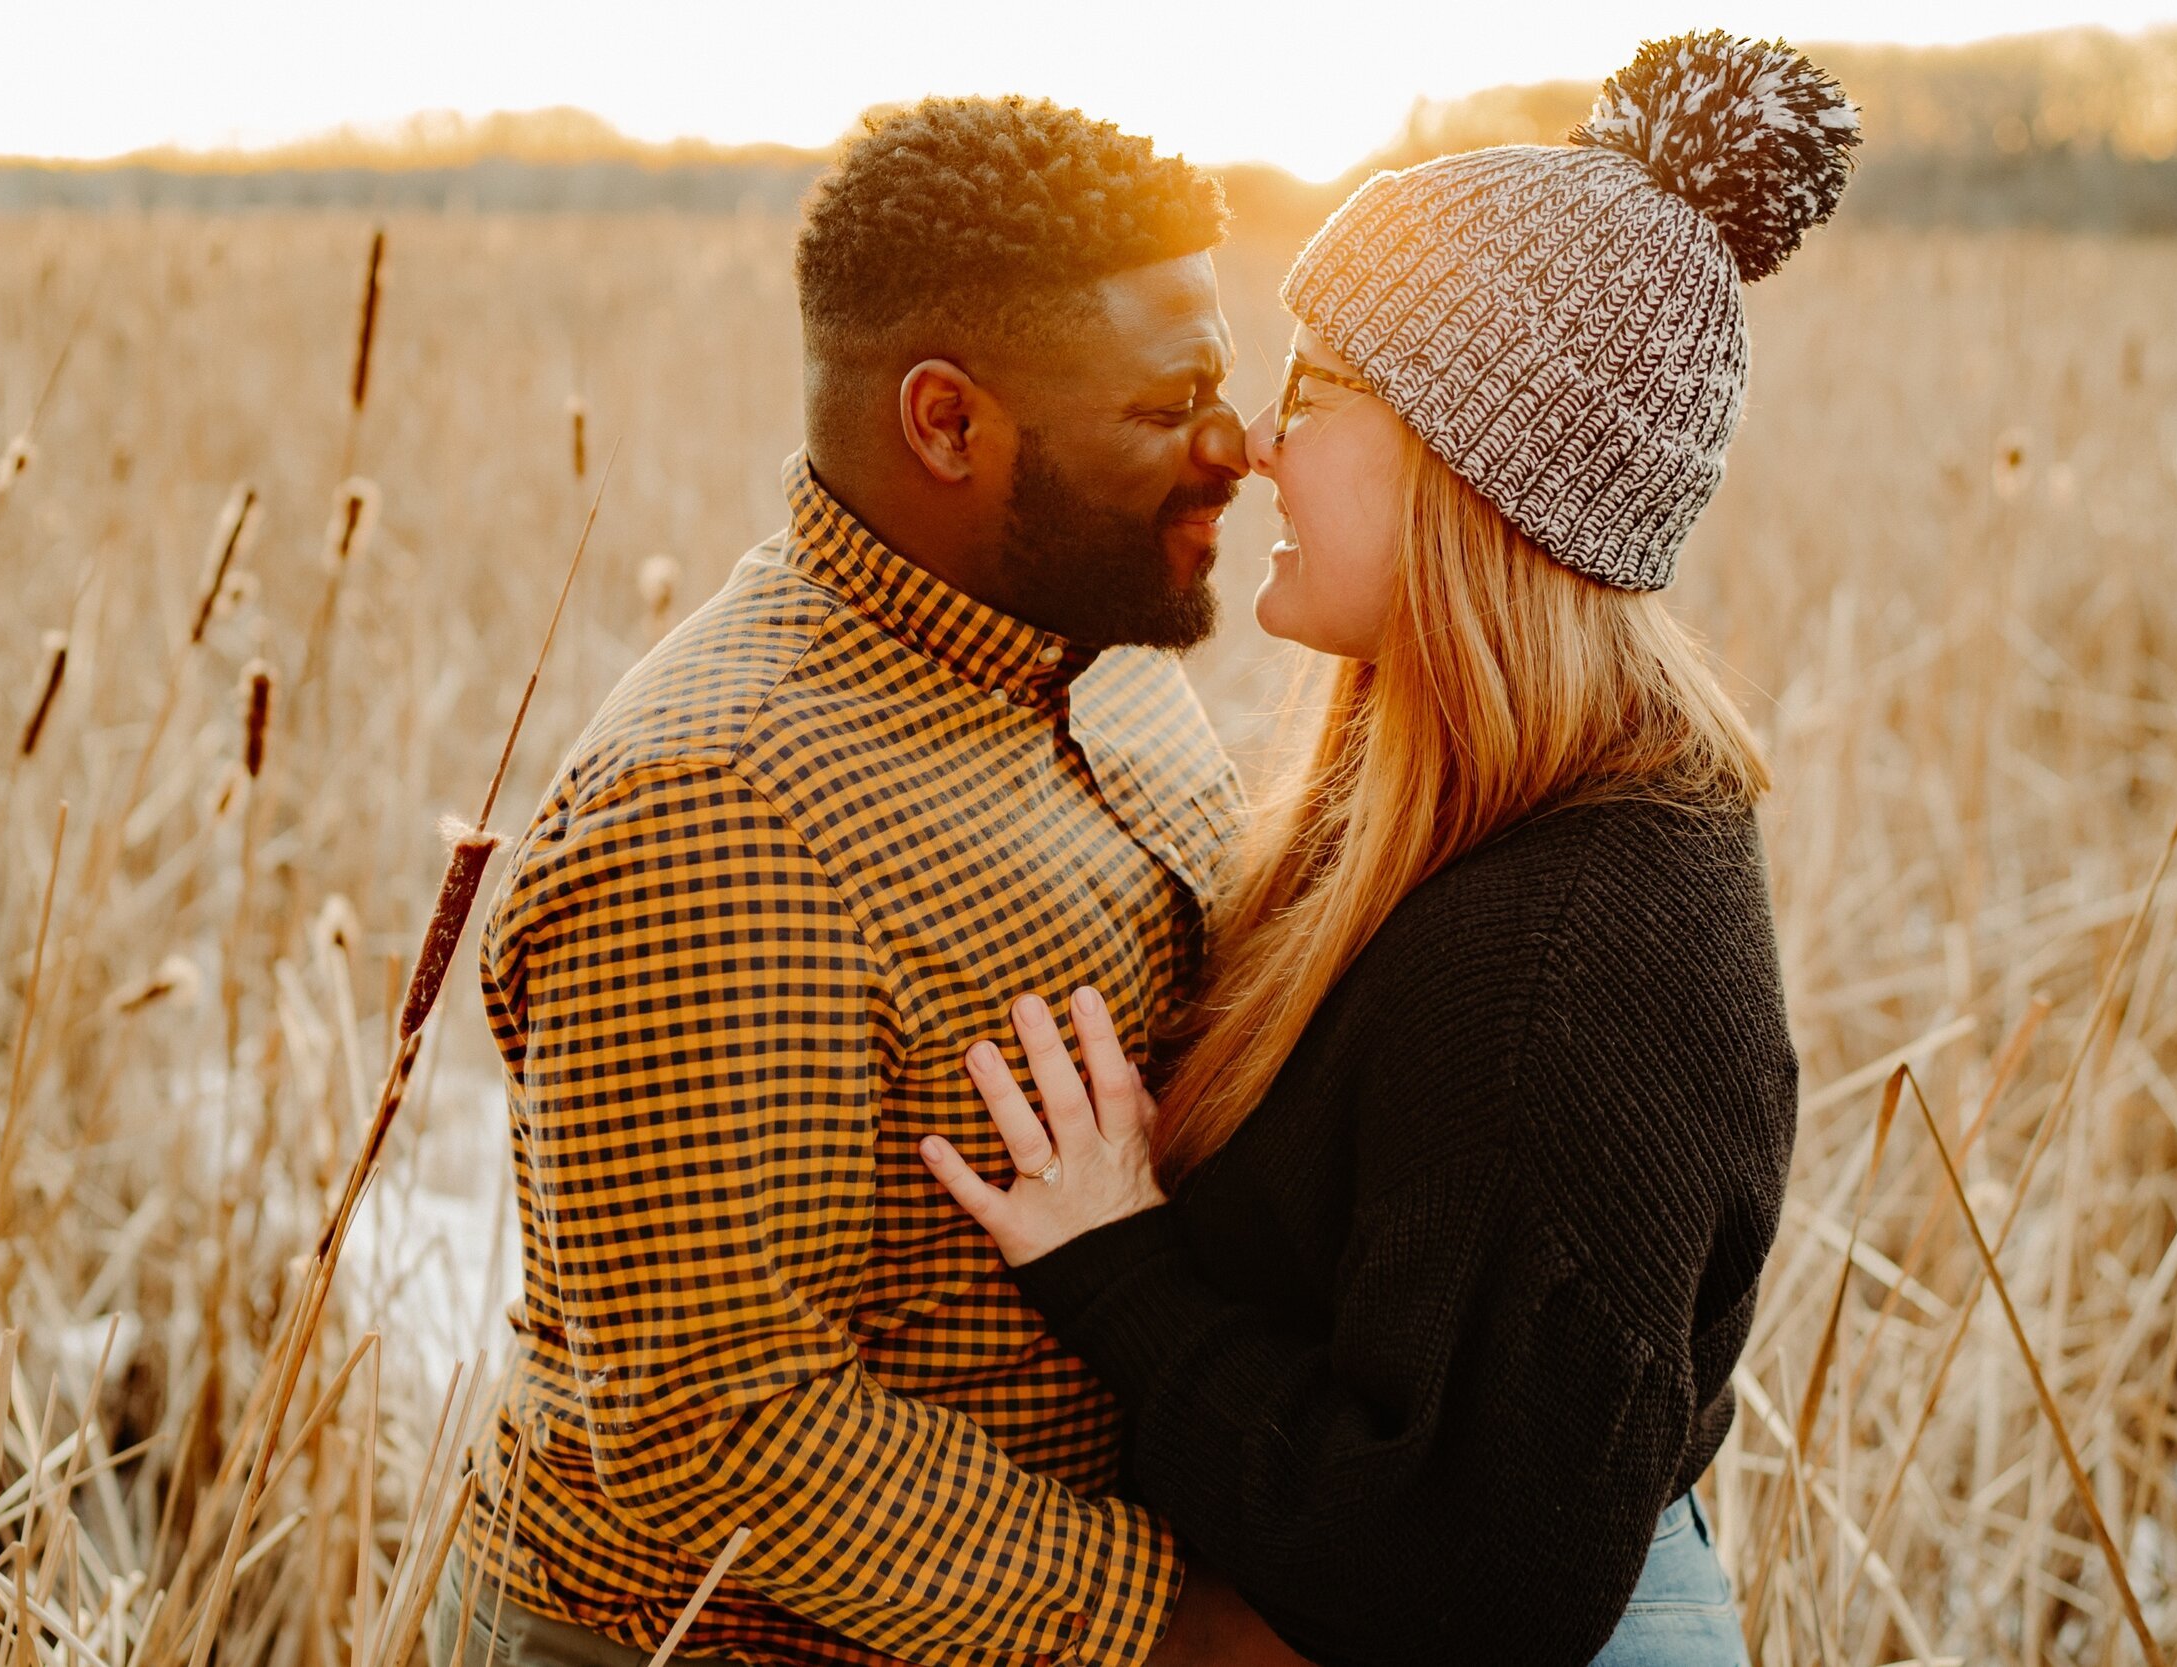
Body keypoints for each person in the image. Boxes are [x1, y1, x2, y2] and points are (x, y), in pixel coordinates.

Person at [922, 33, 1860, 1667]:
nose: (1259, 448)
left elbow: (1470, 1588)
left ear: (1473, 472)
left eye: (1320, 395)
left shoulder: (1570, 960)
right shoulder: (1460, 822)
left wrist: (1116, 1266)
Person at [429, 96, 1300, 1667]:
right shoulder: (714, 812)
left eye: (1220, 386)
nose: (1234, 448)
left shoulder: (1104, 659)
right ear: (949, 424)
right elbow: (721, 1420)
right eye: (1169, 405)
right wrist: (1188, 1637)